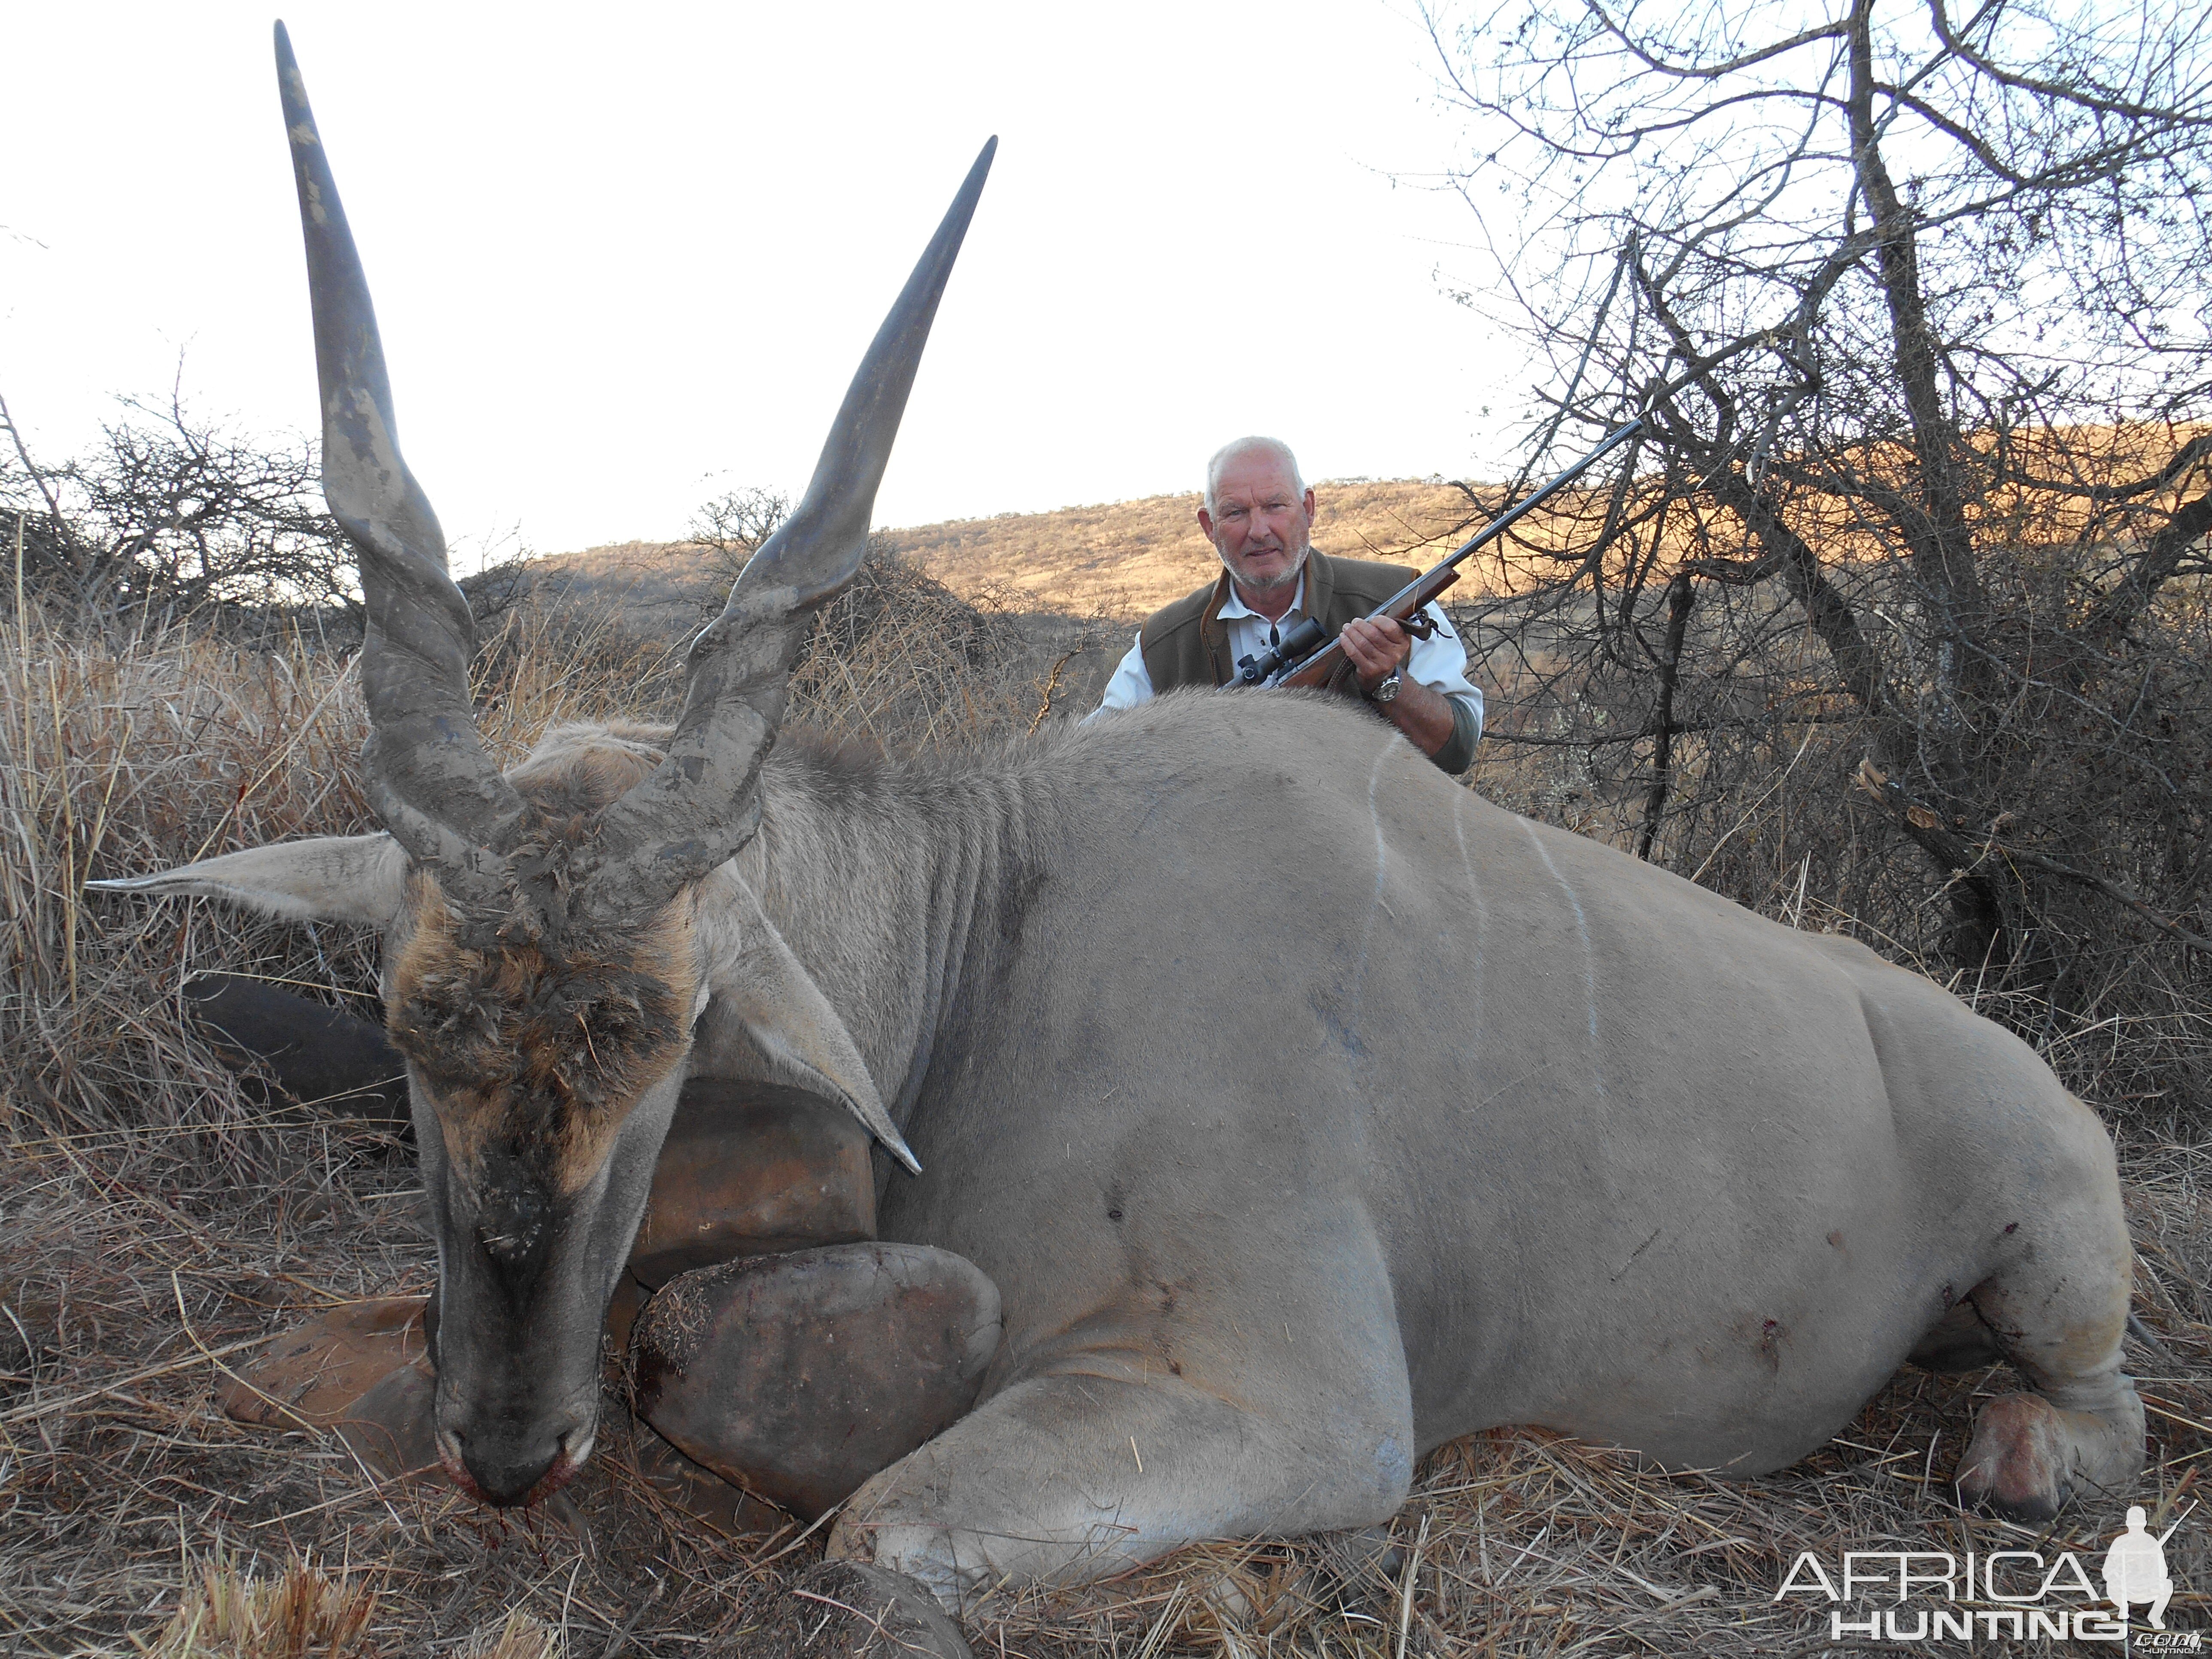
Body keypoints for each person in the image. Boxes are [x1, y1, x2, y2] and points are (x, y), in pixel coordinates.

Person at [1091, 436, 1483, 772]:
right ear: (1209, 526)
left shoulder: (1398, 598)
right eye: (1236, 512)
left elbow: (1458, 748)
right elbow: (1093, 759)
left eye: (1275, 506)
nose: (1259, 531)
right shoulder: (1163, 643)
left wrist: (1388, 683)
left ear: (1309, 508)